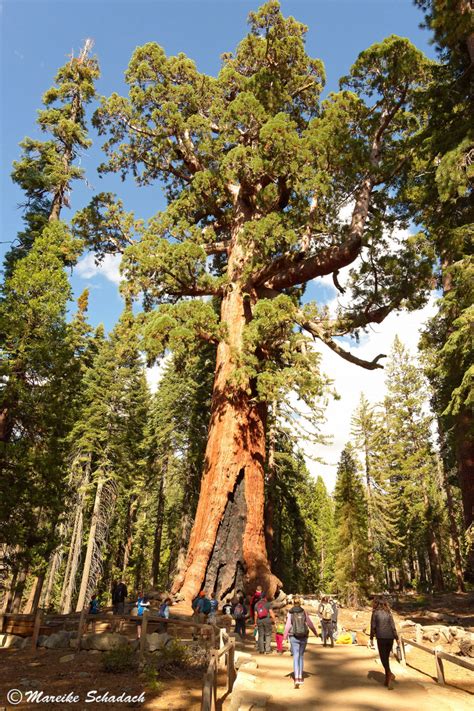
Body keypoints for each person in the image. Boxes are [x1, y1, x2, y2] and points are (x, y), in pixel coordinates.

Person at [283, 595, 318, 688]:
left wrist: (284, 637)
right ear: (300, 603)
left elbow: (288, 625)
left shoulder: (290, 613)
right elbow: (309, 623)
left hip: (293, 636)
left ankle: (296, 678)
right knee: (301, 657)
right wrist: (315, 632)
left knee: (296, 656)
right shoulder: (304, 612)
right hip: (303, 636)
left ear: (293, 603)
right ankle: (300, 677)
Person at [370, 598, 399, 690]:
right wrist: (396, 637)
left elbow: (373, 626)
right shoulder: (388, 613)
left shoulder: (375, 613)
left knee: (383, 658)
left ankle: (389, 673)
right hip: (390, 637)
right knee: (386, 657)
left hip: (381, 637)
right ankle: (387, 680)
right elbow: (393, 626)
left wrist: (371, 637)